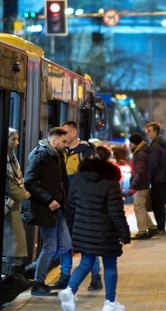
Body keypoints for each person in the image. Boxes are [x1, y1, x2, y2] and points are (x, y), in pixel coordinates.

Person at [59, 146, 130, 311]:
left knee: (86, 262)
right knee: (110, 265)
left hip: (84, 229)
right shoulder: (111, 182)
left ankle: (70, 290)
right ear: (108, 160)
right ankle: (109, 303)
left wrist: (73, 225)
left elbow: (71, 206)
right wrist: (124, 234)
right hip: (106, 231)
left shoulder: (78, 178)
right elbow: (115, 212)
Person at [51, 121, 103, 292]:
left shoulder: (87, 152)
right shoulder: (60, 152)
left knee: (87, 243)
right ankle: (65, 275)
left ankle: (96, 277)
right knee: (65, 244)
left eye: (64, 132)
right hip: (65, 206)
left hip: (82, 207)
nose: (62, 135)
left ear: (73, 133)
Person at [22, 127, 71, 296]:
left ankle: (36, 267)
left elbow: (62, 183)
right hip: (46, 208)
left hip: (58, 209)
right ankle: (38, 283)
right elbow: (29, 181)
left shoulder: (58, 156)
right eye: (64, 142)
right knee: (50, 246)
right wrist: (49, 199)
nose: (66, 145)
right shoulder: (39, 155)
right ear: (54, 140)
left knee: (65, 244)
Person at [2, 128, 31, 278]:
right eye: (13, 139)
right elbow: (8, 181)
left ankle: (16, 270)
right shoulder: (4, 157)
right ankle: (15, 272)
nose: (17, 142)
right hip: (9, 204)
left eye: (17, 139)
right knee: (14, 237)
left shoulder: (11, 156)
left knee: (16, 236)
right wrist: (22, 193)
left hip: (13, 203)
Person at [127, 133, 158, 240]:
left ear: (134, 143)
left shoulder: (140, 154)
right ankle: (152, 227)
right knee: (141, 207)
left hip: (140, 185)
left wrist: (134, 185)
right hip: (142, 184)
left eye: (130, 143)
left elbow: (140, 172)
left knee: (138, 207)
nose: (129, 145)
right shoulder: (141, 152)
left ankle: (142, 231)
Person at [145, 122, 166, 236]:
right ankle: (161, 227)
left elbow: (152, 164)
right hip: (161, 178)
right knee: (159, 203)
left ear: (155, 131)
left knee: (157, 204)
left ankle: (160, 228)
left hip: (157, 179)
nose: (147, 133)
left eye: (149, 130)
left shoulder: (155, 146)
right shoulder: (160, 144)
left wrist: (148, 178)